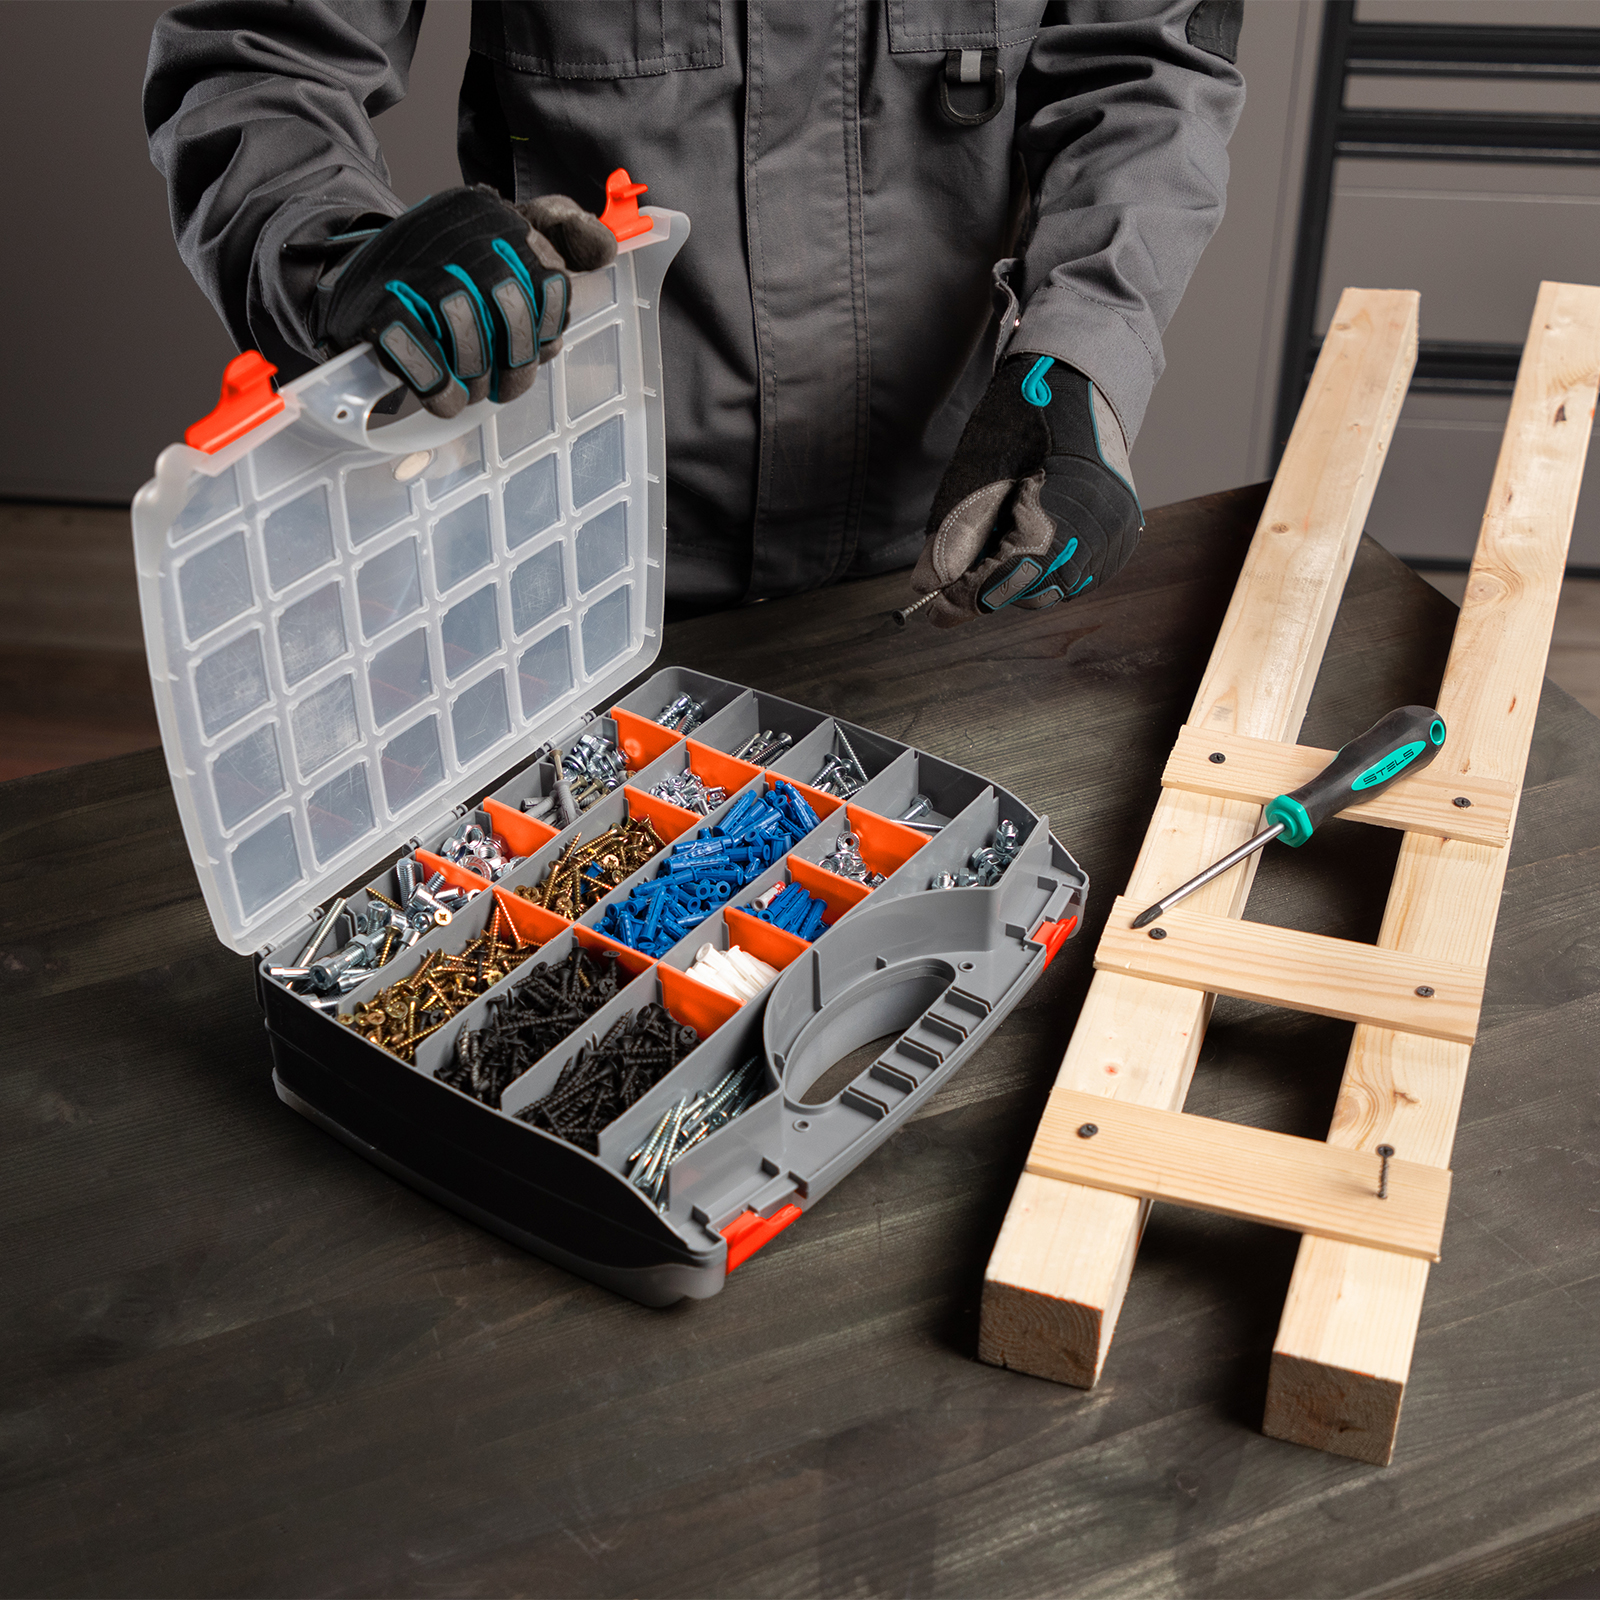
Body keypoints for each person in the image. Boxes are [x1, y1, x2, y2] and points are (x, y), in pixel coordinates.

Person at [145, 2, 1244, 625]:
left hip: (935, 560)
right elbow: (258, 59)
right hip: (570, 567)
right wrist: (346, 253)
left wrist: (1084, 356)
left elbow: (1145, 69)